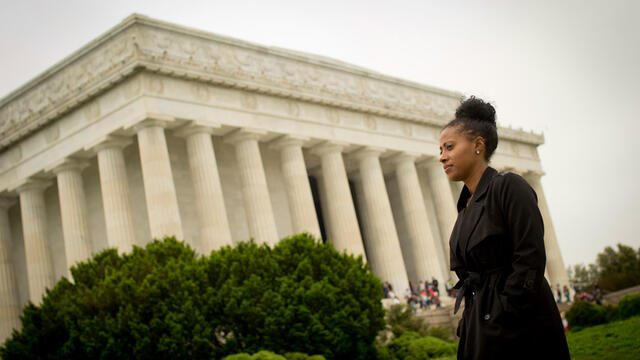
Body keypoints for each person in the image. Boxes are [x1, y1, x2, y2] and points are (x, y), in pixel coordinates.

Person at [440, 96, 569, 359]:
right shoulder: (464, 207)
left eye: (449, 147)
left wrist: (503, 312)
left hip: (519, 325)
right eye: (440, 150)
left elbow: (530, 257)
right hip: (481, 326)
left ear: (478, 145)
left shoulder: (508, 186)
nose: (443, 157)